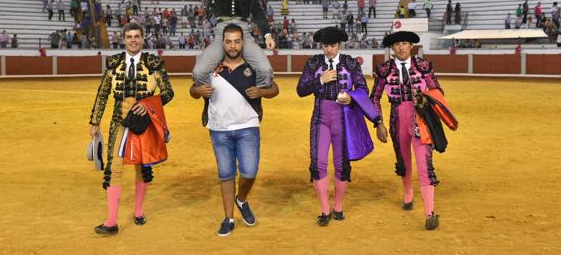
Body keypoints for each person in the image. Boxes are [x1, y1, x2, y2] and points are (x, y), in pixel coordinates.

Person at [190, 23, 279, 237]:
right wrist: (198, 90)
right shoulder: (210, 67)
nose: (232, 46)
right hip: (219, 129)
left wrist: (262, 92)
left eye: (237, 41)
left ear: (243, 42)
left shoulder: (254, 67)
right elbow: (193, 90)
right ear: (222, 43)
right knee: (226, 173)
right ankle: (228, 218)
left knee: (249, 172)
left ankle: (241, 199)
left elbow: (275, 88)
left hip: (248, 126)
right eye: (228, 41)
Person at [88, 22, 174, 235]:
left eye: (137, 36)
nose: (133, 40)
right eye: (129, 37)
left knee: (142, 168)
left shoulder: (153, 63)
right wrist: (95, 121)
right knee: (114, 169)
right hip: (119, 119)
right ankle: (111, 222)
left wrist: (148, 105)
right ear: (124, 39)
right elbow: (102, 93)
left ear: (142, 39)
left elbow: (168, 92)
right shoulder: (114, 62)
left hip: (144, 121)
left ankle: (138, 211)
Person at [296, 26, 380, 226]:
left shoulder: (350, 63)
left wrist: (350, 99)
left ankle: (338, 207)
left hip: (343, 118)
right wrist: (320, 80)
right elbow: (300, 89)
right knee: (318, 163)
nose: (329, 50)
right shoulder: (314, 63)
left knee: (342, 165)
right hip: (320, 117)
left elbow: (362, 88)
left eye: (332, 46)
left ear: (340, 45)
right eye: (325, 46)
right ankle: (325, 209)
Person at [370, 31, 444, 230]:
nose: (401, 47)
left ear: (411, 46)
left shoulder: (423, 66)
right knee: (403, 161)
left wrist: (426, 98)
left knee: (424, 164)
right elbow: (374, 97)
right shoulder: (384, 69)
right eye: (397, 44)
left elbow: (438, 90)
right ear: (392, 49)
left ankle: (430, 213)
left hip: (420, 119)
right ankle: (409, 193)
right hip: (397, 120)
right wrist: (378, 123)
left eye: (405, 43)